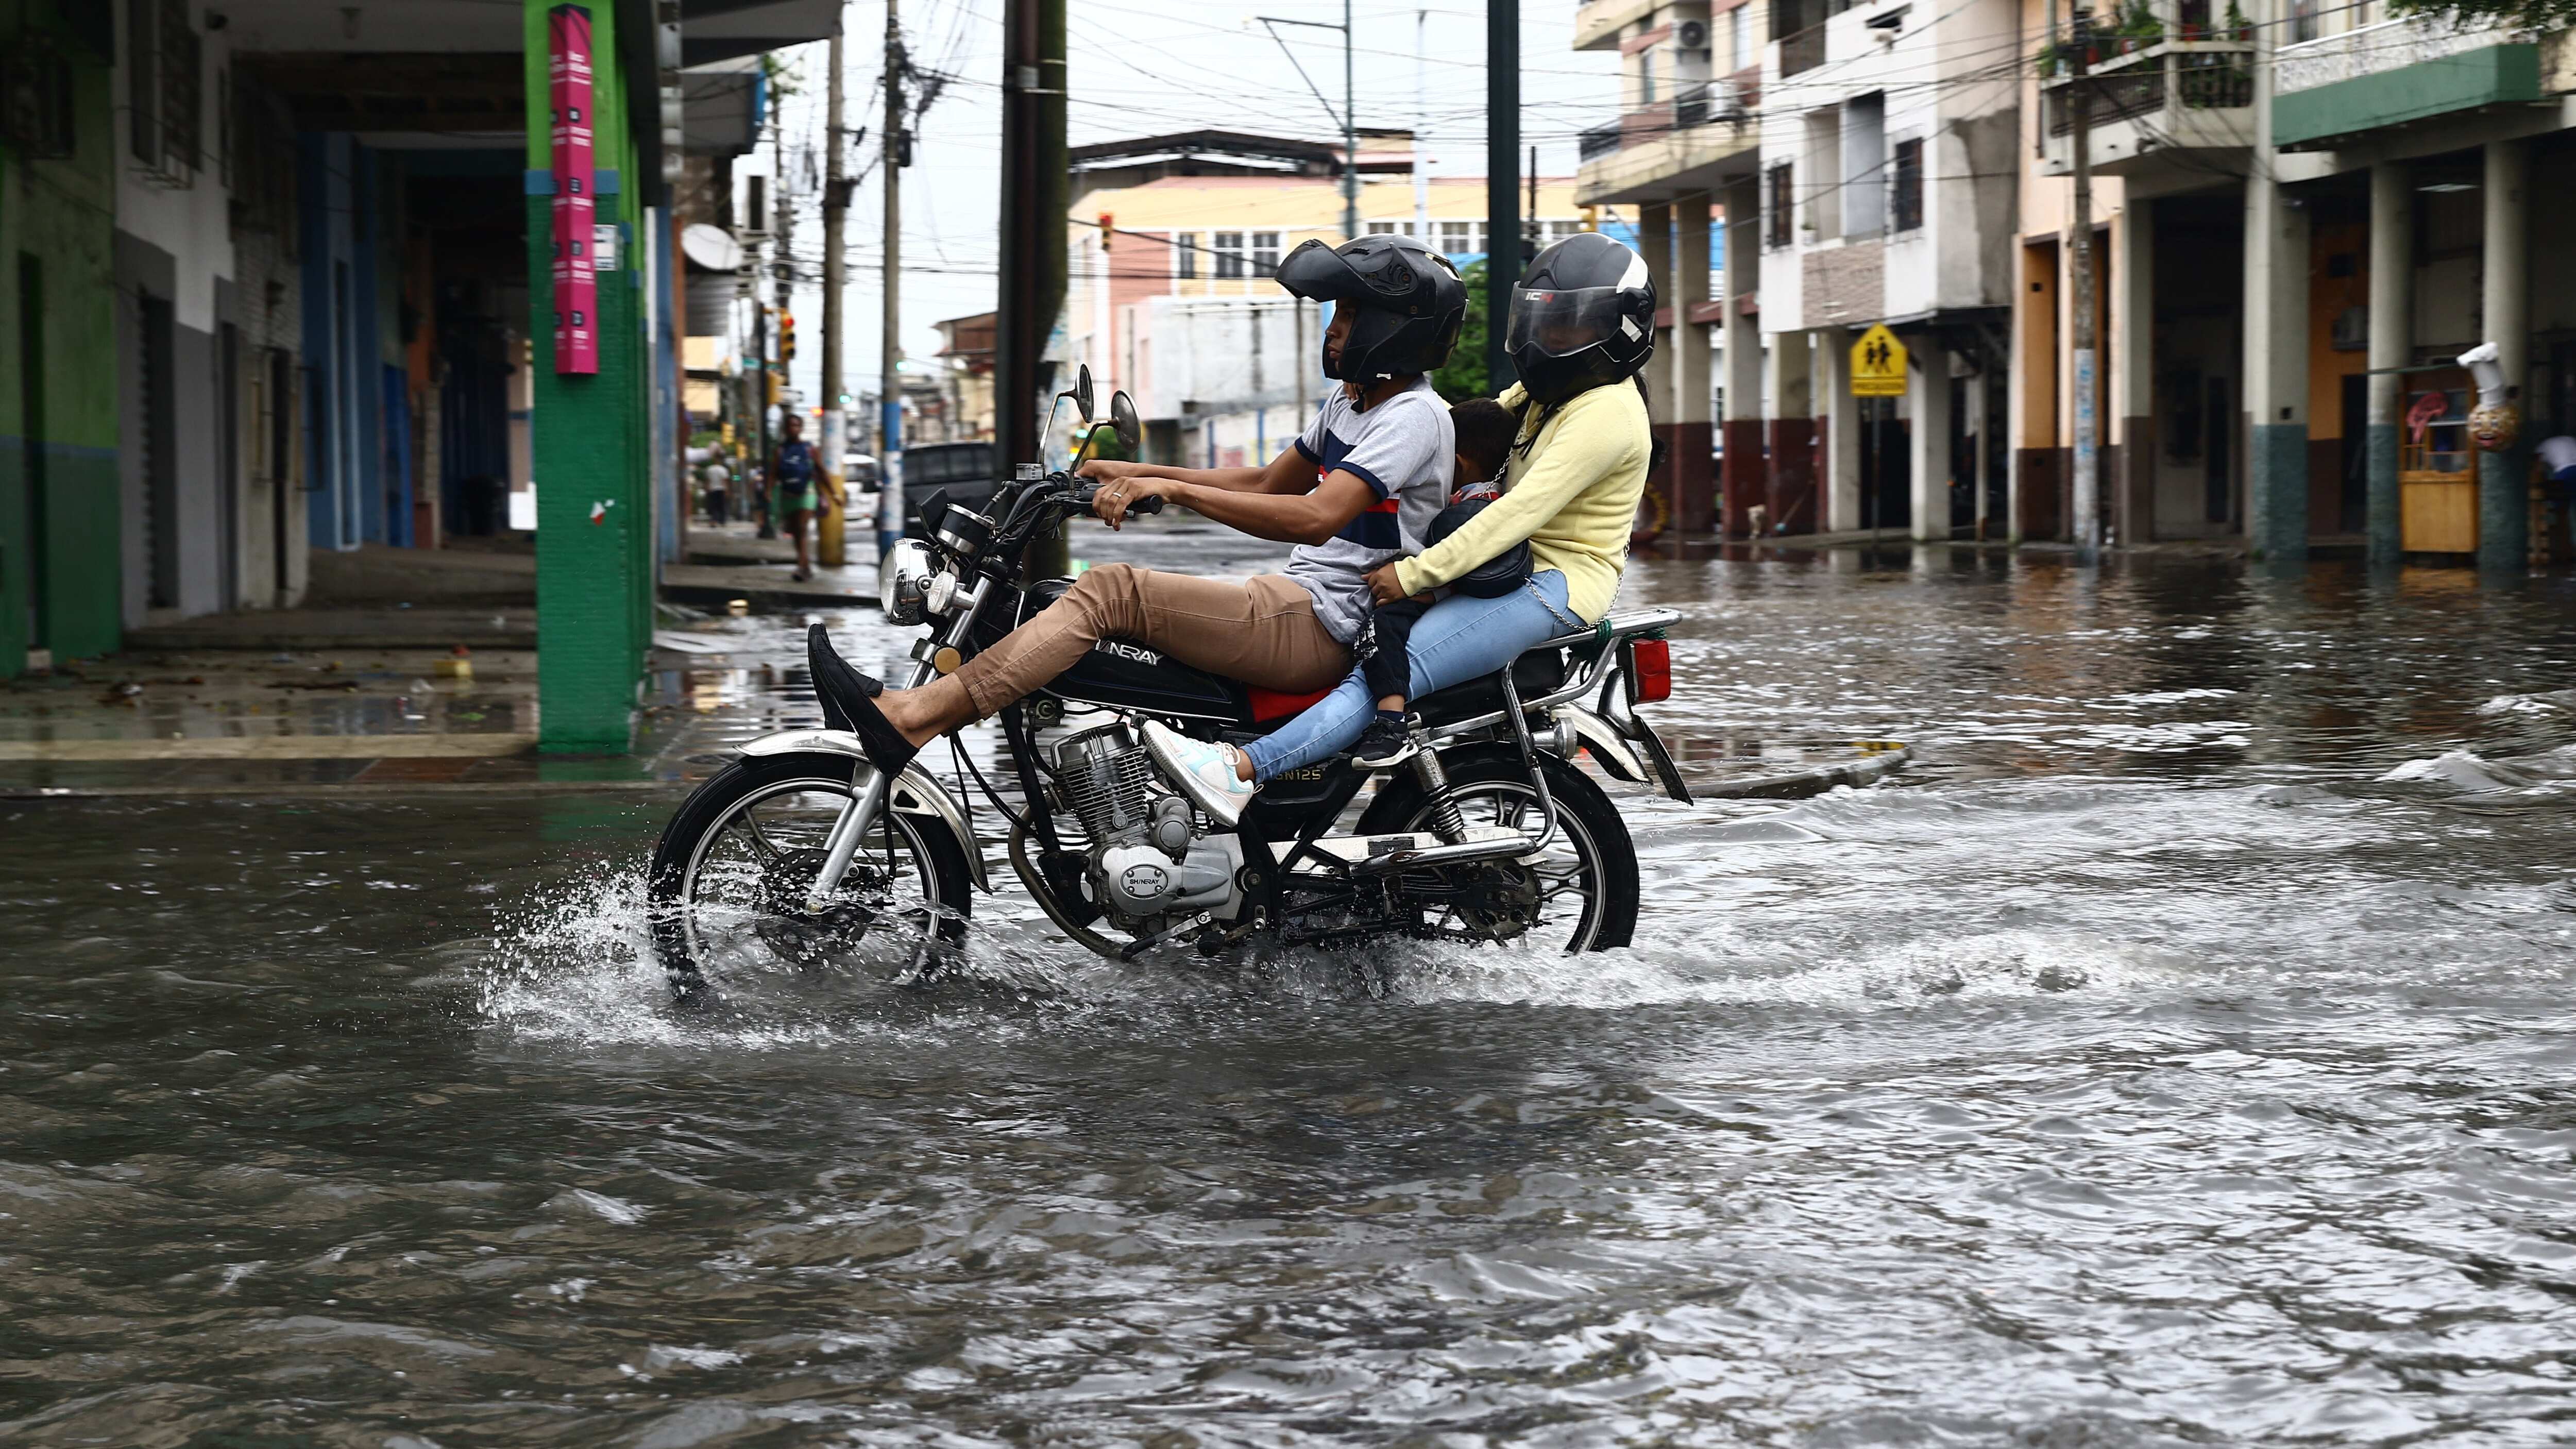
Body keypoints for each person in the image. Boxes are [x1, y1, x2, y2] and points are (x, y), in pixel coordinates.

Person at [830, 234, 1469, 778]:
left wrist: (1177, 490)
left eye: (1350, 315)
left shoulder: (1412, 415)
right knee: (1065, 596)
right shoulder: (1353, 402)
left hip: (1329, 624)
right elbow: (1270, 482)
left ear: (1396, 326)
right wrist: (1139, 472)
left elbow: (1314, 515)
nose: (1333, 331)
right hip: (1298, 601)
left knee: (1111, 593)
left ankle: (913, 717)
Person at [1145, 232, 1658, 826]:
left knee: (1384, 673)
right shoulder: (1548, 393)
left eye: (1568, 327)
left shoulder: (1607, 412)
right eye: (1543, 323)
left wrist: (1413, 572)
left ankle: (1237, 769)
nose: (1549, 340)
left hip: (1551, 586)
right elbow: (1479, 423)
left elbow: (1516, 513)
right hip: (1505, 569)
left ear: (1618, 330)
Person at [1344, 397, 1522, 769]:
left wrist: (1429, 594)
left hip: (1449, 593)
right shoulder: (1497, 498)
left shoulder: (1469, 507)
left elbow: (1469, 562)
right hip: (1456, 592)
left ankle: (1391, 722)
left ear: (1455, 464)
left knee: (1383, 625)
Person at [771, 414, 820, 581]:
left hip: (807, 493)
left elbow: (821, 471)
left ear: (801, 428)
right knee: (796, 532)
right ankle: (806, 567)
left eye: (797, 425)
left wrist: (833, 494)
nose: (794, 429)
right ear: (785, 429)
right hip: (788, 495)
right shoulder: (780, 450)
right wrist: (768, 491)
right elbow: (773, 473)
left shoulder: (809, 449)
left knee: (802, 527)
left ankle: (801, 567)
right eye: (791, 426)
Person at [701, 448, 733, 526]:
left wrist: (707, 489)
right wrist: (727, 491)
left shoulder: (709, 469)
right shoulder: (723, 470)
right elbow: (725, 481)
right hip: (721, 489)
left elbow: (707, 481)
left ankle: (713, 521)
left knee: (713, 506)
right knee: (721, 506)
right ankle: (722, 521)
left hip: (712, 490)